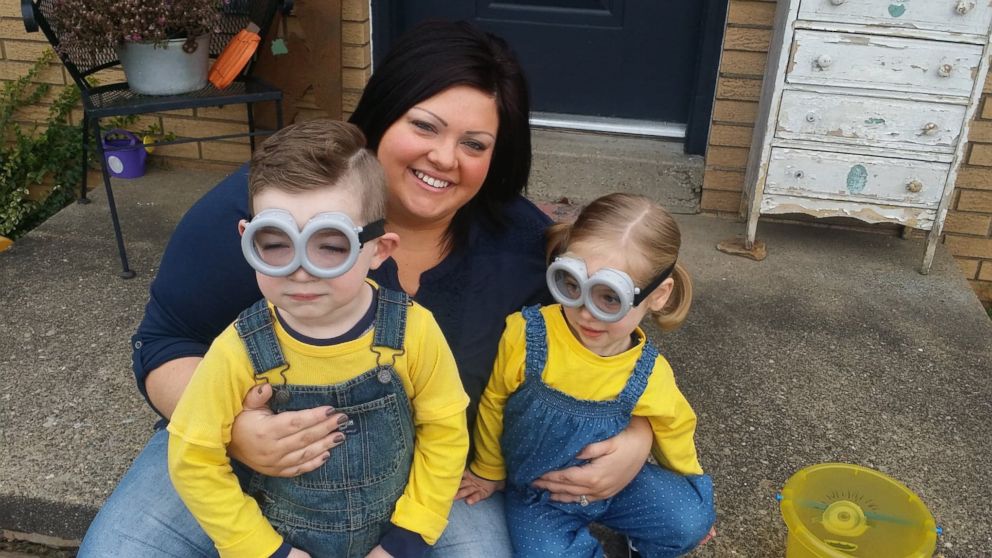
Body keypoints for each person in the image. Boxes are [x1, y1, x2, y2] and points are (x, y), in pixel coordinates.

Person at [79, 20, 656, 558]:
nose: (444, 157)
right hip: (235, 464)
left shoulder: (523, 246)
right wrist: (234, 432)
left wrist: (637, 434)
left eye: (475, 144)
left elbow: (600, 342)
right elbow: (164, 342)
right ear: (382, 116)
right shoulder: (271, 214)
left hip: (426, 474)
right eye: (424, 126)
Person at [167, 119, 469, 558]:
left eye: (331, 245)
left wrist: (409, 537)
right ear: (246, 240)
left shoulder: (413, 331)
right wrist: (262, 549)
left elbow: (444, 433)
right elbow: (192, 457)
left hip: (394, 537)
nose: (300, 268)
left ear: (379, 250)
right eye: (274, 244)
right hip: (281, 542)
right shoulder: (240, 348)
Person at [459, 193, 716, 557]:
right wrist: (489, 470)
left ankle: (637, 542)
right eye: (571, 284)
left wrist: (691, 482)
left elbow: (675, 428)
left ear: (658, 295)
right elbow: (494, 403)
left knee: (691, 518)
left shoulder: (650, 372)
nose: (585, 312)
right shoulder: (527, 335)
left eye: (610, 297)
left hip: (618, 487)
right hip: (539, 496)